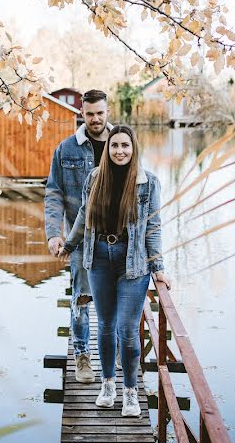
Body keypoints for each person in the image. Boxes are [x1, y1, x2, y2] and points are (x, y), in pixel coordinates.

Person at [61, 125, 172, 417]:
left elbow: (154, 227)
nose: (120, 151)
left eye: (125, 145)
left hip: (133, 263)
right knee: (107, 327)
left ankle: (131, 394)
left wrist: (158, 267)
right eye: (114, 146)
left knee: (126, 329)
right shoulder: (95, 178)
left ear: (133, 148)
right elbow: (85, 216)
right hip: (98, 258)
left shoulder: (149, 183)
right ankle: (108, 385)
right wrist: (70, 245)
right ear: (108, 149)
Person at [44, 89, 112, 383]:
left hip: (118, 239)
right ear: (81, 114)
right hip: (80, 239)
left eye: (100, 113)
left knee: (117, 301)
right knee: (82, 300)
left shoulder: (121, 144)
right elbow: (54, 194)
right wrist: (53, 234)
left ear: (107, 112)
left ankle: (116, 351)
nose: (95, 119)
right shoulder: (66, 149)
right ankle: (83, 356)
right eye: (90, 113)